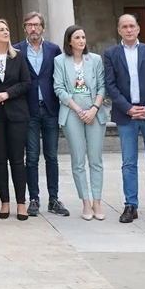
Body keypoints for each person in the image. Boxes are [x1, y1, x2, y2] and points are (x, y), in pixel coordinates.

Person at [103, 13, 145, 225]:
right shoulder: (111, 53)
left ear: (138, 29)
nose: (129, 29)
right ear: (119, 30)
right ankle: (130, 205)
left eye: (132, 26)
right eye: (125, 26)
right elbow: (110, 85)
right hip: (126, 115)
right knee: (128, 163)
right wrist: (129, 108)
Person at [0, 19, 33, 220]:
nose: (6, 32)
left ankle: (21, 203)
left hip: (17, 114)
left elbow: (26, 82)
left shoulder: (18, 56)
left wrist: (7, 94)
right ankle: (4, 203)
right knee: (0, 160)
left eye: (7, 29)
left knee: (18, 160)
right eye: (1, 29)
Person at [54, 24, 108, 220]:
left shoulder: (94, 60)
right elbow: (59, 88)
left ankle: (97, 203)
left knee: (95, 160)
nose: (81, 41)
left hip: (95, 112)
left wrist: (93, 109)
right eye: (77, 37)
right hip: (71, 113)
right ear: (69, 41)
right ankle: (85, 203)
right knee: (78, 160)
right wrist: (78, 110)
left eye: (83, 37)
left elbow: (102, 86)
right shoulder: (60, 61)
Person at [16, 12, 65, 216]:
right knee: (32, 157)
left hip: (51, 107)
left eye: (36, 25)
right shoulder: (17, 50)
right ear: (25, 28)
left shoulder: (53, 49)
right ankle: (33, 198)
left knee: (52, 156)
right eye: (29, 25)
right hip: (29, 108)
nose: (33, 29)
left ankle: (54, 198)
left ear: (42, 27)